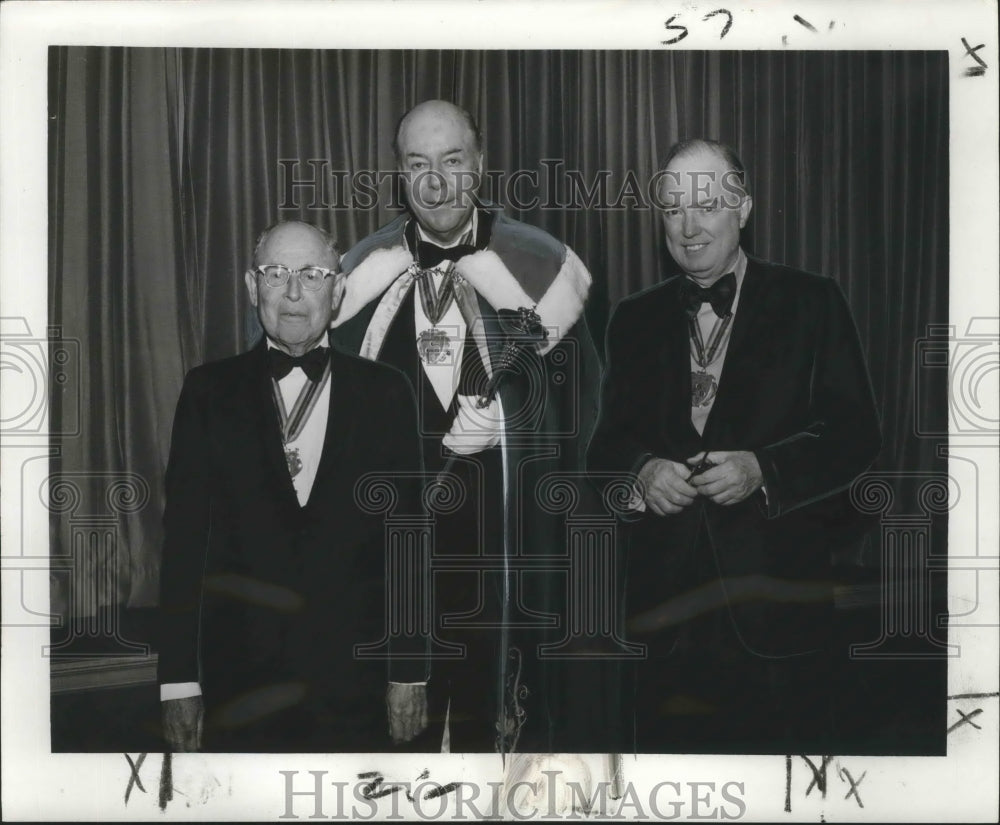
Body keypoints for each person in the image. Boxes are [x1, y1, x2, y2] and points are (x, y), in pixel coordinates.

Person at [587, 139, 881, 752]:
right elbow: (605, 444)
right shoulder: (629, 318)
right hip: (664, 618)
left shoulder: (812, 301)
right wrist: (639, 472)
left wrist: (764, 468)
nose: (688, 227)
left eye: (706, 206)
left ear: (743, 208)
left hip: (777, 612)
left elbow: (856, 433)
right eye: (672, 210)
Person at [331, 100, 602, 753]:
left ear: (479, 165)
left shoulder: (543, 269)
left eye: (452, 160)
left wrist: (509, 424)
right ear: (399, 174)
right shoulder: (357, 277)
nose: (435, 181)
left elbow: (589, 416)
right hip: (394, 575)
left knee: (503, 760)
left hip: (505, 563)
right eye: (418, 164)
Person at [157, 220, 428, 752]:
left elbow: (410, 543)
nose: (295, 292)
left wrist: (410, 671)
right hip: (239, 686)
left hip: (358, 688)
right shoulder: (207, 392)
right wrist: (178, 681)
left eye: (312, 274)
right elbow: (183, 546)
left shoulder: (388, 393)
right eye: (277, 273)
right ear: (252, 287)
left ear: (339, 288)